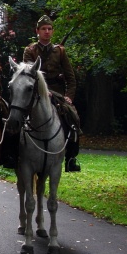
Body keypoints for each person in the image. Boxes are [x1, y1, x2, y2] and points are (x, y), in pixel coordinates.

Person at [22, 15, 81, 172]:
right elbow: (28, 74)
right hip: (36, 92)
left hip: (58, 94)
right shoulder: (30, 51)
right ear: (37, 31)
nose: (47, 32)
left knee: (73, 118)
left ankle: (71, 158)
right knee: (17, 116)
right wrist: (43, 90)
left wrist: (69, 96)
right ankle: (14, 154)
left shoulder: (60, 52)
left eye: (49, 29)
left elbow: (71, 77)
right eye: (43, 29)